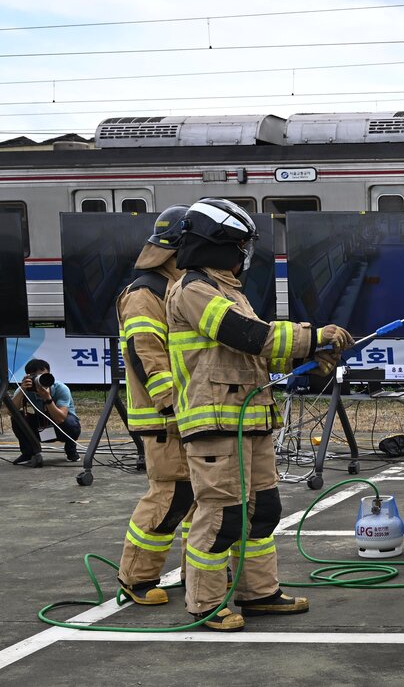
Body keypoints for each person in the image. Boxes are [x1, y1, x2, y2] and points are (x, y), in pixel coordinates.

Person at [165, 198, 352, 632]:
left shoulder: (225, 289)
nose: (244, 255)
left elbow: (249, 357)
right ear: (219, 244)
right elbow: (247, 335)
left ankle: (259, 592)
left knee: (263, 510)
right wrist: (312, 336)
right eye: (240, 245)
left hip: (249, 420)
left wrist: (307, 358)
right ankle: (205, 603)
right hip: (216, 424)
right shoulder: (193, 289)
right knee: (222, 515)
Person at [115, 205, 193, 607]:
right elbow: (144, 351)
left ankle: (201, 574)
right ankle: (136, 578)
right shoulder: (146, 293)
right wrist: (171, 405)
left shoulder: (177, 287)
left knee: (200, 497)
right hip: (167, 420)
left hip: (189, 416)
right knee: (172, 495)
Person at [9, 359, 82, 467]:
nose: (39, 379)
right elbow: (11, 412)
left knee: (70, 422)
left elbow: (60, 418)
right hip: (41, 423)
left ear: (49, 375)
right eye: (34, 375)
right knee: (17, 417)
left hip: (63, 427)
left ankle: (71, 449)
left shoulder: (60, 388)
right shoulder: (26, 388)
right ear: (28, 377)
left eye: (42, 375)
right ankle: (28, 453)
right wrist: (22, 390)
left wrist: (47, 398)